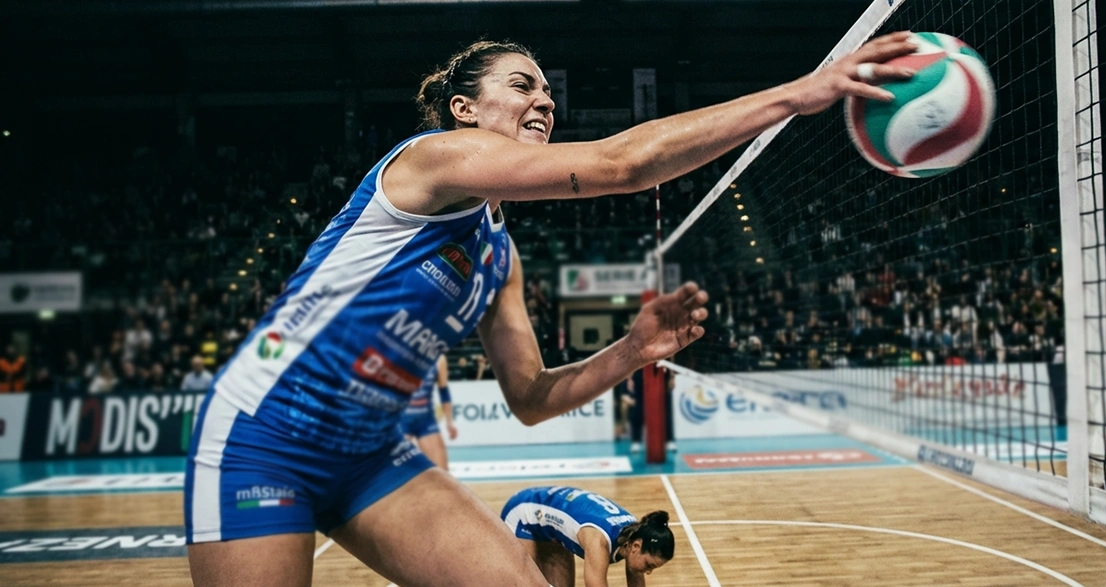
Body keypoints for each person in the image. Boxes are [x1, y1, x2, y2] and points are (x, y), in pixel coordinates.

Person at [184, 33, 918, 587]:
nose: (544, 99)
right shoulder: (431, 159)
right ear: (464, 109)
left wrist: (631, 350)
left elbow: (530, 398)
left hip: (370, 456)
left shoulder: (499, 257)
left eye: (546, 89)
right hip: (264, 433)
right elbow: (620, 165)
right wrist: (799, 94)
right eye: (521, 85)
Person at [501, 486, 674, 587]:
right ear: (635, 547)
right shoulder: (599, 541)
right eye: (649, 565)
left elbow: (635, 574)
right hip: (523, 514)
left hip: (551, 529)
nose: (648, 571)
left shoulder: (636, 535)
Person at [399, 354, 458, 469]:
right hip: (400, 421)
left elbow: (444, 391)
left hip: (426, 421)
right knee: (395, 476)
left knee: (442, 471)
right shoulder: (399, 350)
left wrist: (449, 422)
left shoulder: (439, 359)